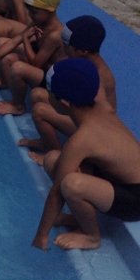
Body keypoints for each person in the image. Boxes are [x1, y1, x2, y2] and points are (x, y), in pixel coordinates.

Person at [32, 58, 140, 251]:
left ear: (64, 102)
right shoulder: (101, 104)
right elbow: (91, 74)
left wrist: (41, 236)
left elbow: (56, 194)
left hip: (137, 197)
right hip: (121, 179)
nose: (46, 97)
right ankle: (77, 217)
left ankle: (91, 237)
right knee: (52, 159)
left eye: (50, 94)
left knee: (71, 184)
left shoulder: (83, 139)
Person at [18, 15, 117, 163]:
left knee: (40, 110)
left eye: (66, 45)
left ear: (82, 50)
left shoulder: (99, 76)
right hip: (87, 116)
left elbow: (96, 116)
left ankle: (55, 154)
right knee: (37, 94)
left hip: (97, 129)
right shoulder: (83, 63)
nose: (63, 48)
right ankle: (46, 142)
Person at [0, 0, 65, 115]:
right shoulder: (38, 22)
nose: (30, 15)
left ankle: (18, 106)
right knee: (4, 47)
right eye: (29, 10)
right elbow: (12, 43)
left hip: (53, 79)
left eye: (34, 11)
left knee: (18, 67)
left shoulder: (55, 35)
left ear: (50, 10)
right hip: (42, 69)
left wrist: (25, 39)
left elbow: (35, 63)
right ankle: (6, 83)